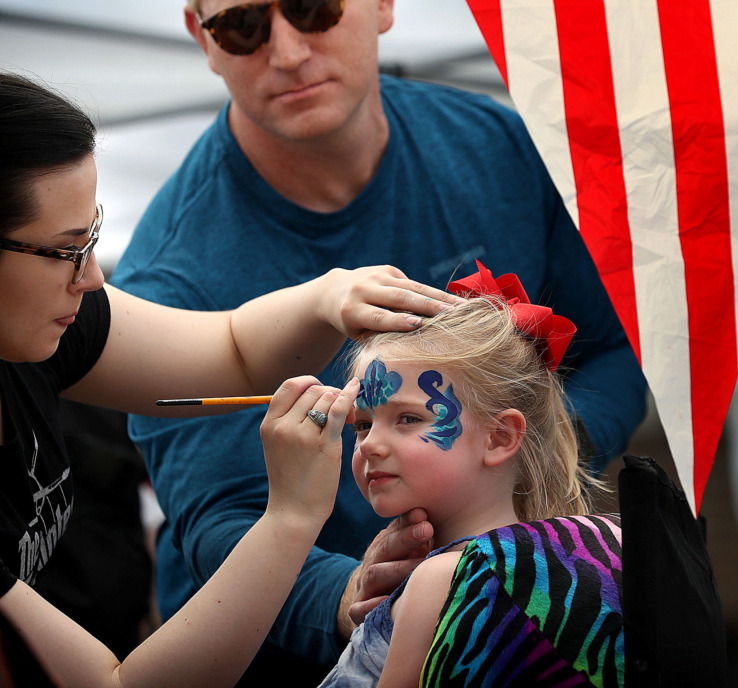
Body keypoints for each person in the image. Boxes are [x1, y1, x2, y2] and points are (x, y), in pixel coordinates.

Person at [115, 0, 647, 680]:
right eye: (242, 27)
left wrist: (520, 456)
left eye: (315, 4)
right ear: (203, 39)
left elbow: (614, 351)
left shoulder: (498, 149)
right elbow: (214, 517)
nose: (287, 51)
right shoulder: (170, 276)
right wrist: (353, 593)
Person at [0, 70, 452, 685]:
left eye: (94, 240)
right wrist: (290, 516)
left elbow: (233, 348)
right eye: (66, 249)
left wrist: (329, 296)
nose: (92, 278)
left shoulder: (37, 325)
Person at [320, 262, 624, 687]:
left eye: (407, 418)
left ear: (500, 437)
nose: (370, 444)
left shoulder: (439, 581)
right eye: (362, 424)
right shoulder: (568, 561)